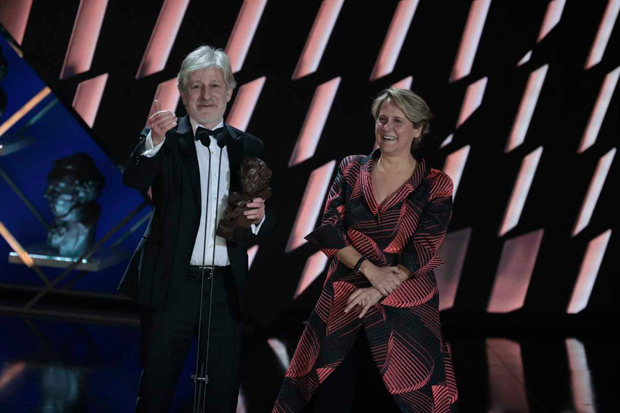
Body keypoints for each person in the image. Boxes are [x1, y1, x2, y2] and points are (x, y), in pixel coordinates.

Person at [274, 88, 458, 412]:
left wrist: (379, 290)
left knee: (401, 403)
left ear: (418, 129)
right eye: (382, 119)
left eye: (398, 121)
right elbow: (330, 228)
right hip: (343, 301)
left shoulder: (436, 184)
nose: (387, 127)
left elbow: (424, 246)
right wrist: (370, 271)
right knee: (331, 398)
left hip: (407, 310)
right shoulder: (350, 168)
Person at [118, 45, 272, 413]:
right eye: (196, 87)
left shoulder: (249, 146)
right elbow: (134, 178)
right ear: (183, 93)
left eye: (214, 86)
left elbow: (262, 222)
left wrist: (260, 216)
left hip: (224, 290)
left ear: (229, 92)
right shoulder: (164, 139)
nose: (205, 96)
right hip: (172, 283)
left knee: (221, 391)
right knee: (156, 387)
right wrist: (152, 141)